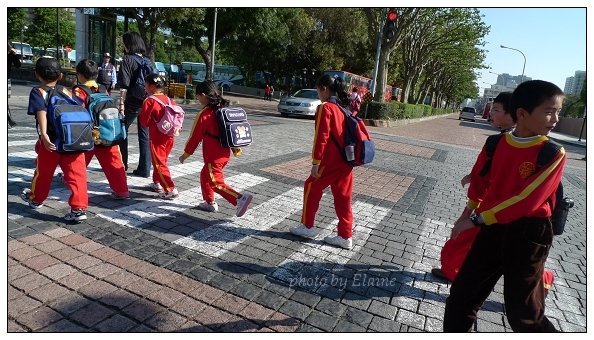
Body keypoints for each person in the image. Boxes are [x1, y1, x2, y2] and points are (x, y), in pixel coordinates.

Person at [443, 80, 566, 332]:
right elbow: (479, 182)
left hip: (528, 235)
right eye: (549, 111)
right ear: (522, 114)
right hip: (491, 229)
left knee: (523, 315)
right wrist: (465, 216)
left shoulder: (553, 153)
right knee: (460, 299)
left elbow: (527, 199)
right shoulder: (496, 144)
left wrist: (477, 219)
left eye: (558, 112)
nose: (555, 119)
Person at [432, 91, 555, 297]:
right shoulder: (497, 142)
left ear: (516, 114)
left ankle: (542, 282)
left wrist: (475, 216)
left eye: (496, 110)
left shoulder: (549, 151)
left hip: (516, 218)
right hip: (490, 210)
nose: (491, 114)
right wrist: (474, 189)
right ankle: (452, 273)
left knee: (522, 264)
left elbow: (530, 196)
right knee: (466, 243)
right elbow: (486, 174)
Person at [289, 75, 355, 250]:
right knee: (343, 198)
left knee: (311, 186)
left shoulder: (326, 108)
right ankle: (345, 235)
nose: (318, 93)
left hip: (330, 161)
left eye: (318, 90)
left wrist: (315, 162)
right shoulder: (342, 107)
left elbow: (321, 137)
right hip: (346, 160)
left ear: (324, 89)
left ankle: (307, 226)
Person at [20, 57, 89, 222]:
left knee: (43, 173)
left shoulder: (39, 91)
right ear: (60, 76)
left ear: (37, 75)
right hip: (73, 139)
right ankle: (79, 209)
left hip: (51, 141)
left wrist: (43, 133)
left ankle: (36, 199)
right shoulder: (67, 90)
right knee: (77, 175)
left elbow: (41, 111)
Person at [178, 80, 253, 216]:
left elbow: (195, 138)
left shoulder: (205, 114)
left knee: (215, 183)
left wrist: (185, 154)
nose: (197, 99)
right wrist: (236, 150)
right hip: (224, 154)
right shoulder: (223, 109)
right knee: (205, 175)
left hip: (213, 157)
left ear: (203, 95)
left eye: (197, 96)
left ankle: (240, 198)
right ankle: (209, 202)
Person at [71, 59, 129, 200]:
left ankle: (71, 181)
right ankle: (122, 190)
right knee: (114, 162)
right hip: (107, 131)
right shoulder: (103, 89)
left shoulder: (78, 91)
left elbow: (76, 112)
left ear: (79, 75)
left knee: (78, 161)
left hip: (89, 134)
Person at [139, 74, 179, 200]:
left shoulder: (149, 100)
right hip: (170, 136)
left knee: (159, 163)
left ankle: (170, 189)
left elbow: (144, 122)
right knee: (161, 161)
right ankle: (157, 182)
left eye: (145, 84)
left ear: (151, 86)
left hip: (157, 137)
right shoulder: (169, 99)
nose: (144, 87)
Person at [117, 31, 151, 178]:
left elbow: (124, 85)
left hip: (131, 101)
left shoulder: (127, 60)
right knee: (144, 134)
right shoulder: (148, 61)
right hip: (147, 100)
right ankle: (144, 169)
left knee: (121, 130)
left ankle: (121, 164)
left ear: (129, 44)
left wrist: (121, 103)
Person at [8, 42, 21, 128]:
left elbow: (18, 65)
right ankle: (9, 120)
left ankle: (9, 120)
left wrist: (14, 54)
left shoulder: (10, 55)